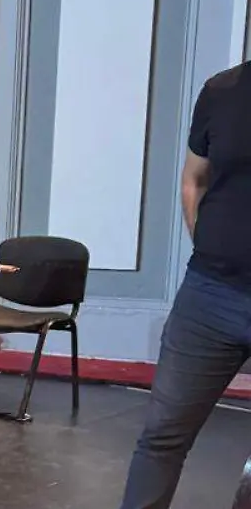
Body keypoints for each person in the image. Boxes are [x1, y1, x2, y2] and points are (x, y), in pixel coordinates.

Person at [119, 62, 251, 509]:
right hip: (209, 295)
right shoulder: (222, 90)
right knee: (162, 435)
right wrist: (208, 243)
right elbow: (194, 180)